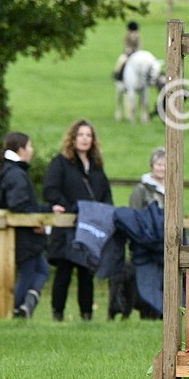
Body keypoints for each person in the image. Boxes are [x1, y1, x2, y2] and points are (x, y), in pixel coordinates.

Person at [43, 119, 112, 321]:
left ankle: (87, 316)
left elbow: (105, 193)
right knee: (64, 271)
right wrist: (70, 208)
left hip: (90, 227)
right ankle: (58, 314)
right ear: (73, 138)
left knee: (86, 273)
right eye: (80, 135)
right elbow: (50, 189)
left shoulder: (97, 167)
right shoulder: (61, 163)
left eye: (88, 135)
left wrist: (104, 212)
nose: (84, 139)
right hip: (67, 227)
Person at [0, 132, 54, 319]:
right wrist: (34, 221)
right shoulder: (16, 174)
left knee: (42, 269)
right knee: (30, 272)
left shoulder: (13, 171)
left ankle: (26, 305)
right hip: (21, 235)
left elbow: (27, 204)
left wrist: (49, 209)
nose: (32, 150)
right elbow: (18, 205)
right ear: (21, 150)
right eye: (30, 146)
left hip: (23, 234)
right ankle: (16, 309)